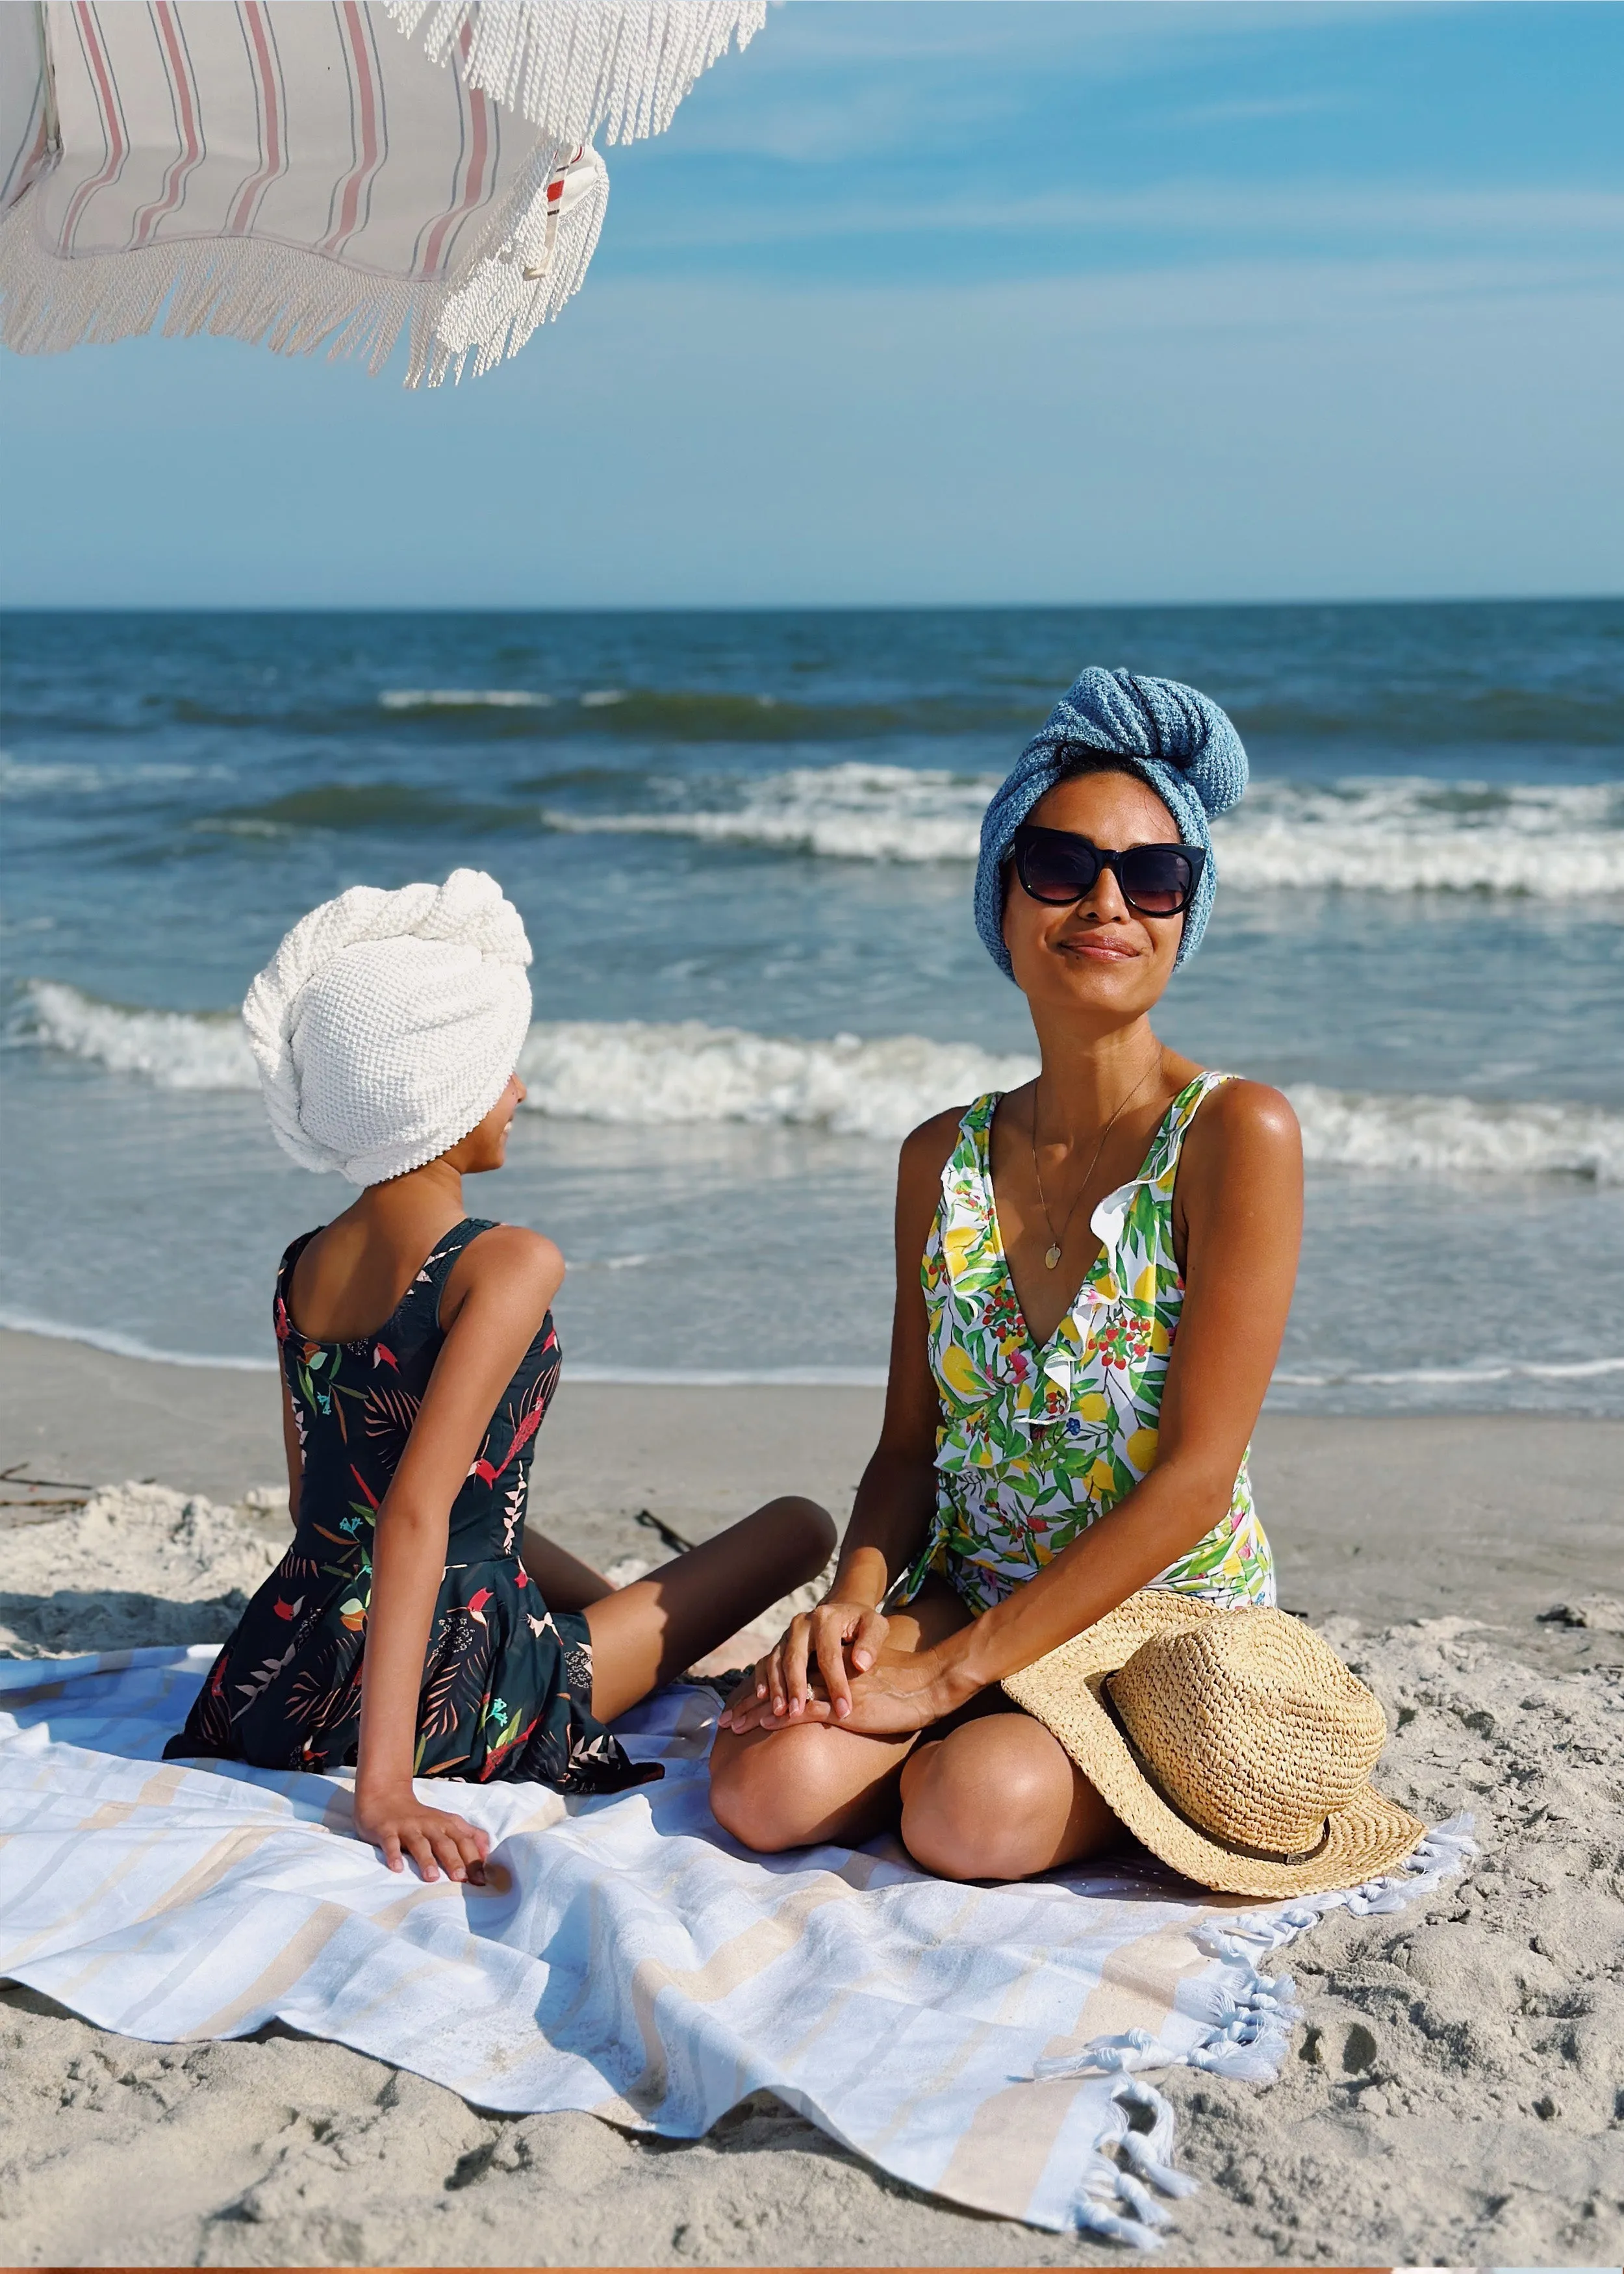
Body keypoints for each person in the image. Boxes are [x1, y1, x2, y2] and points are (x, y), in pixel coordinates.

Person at [710, 669, 1306, 1883]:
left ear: (1185, 916)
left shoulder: (1236, 1135)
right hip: (970, 1583)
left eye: (1153, 877)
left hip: (1155, 1623)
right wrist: (851, 1603)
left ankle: (978, 1746)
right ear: (1004, 892)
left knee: (967, 1812)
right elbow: (907, 1452)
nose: (1107, 903)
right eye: (1060, 864)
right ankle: (960, 1738)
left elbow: (1194, 1483)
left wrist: (950, 1674)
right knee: (767, 1786)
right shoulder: (942, 1157)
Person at [166, 869, 833, 1885]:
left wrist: (603, 1598)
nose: (519, 1092)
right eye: (502, 1069)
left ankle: (594, 1620)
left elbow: (326, 1504)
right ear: (442, 1091)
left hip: (286, 1666)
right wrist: (383, 1788)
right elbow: (418, 1517)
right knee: (802, 1527)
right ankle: (538, 1670)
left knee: (601, 1596)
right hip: (456, 1679)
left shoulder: (302, 1262)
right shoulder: (506, 1261)